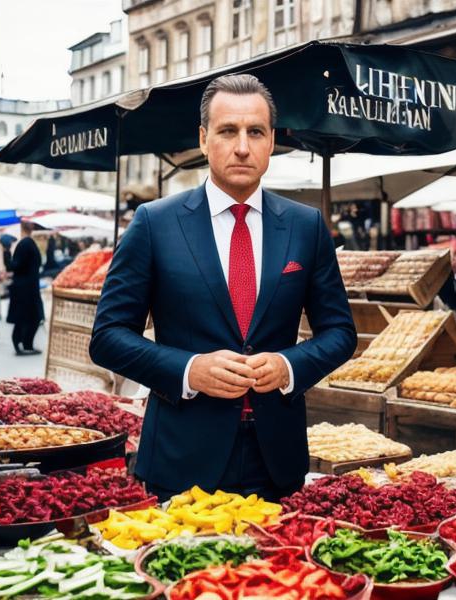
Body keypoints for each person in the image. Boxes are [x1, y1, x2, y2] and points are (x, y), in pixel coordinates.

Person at [90, 74, 357, 501]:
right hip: (181, 458)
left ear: (272, 140)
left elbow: (341, 333)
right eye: (228, 131)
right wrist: (188, 369)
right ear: (203, 138)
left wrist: (288, 367)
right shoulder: (154, 223)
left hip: (277, 460)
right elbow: (107, 339)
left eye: (255, 132)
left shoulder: (306, 227)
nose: (242, 146)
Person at [7, 221, 44, 356]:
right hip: (26, 288)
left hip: (27, 287)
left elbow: (15, 265)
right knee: (28, 317)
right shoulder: (27, 243)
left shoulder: (25, 243)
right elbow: (16, 265)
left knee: (29, 317)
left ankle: (25, 344)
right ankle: (21, 344)